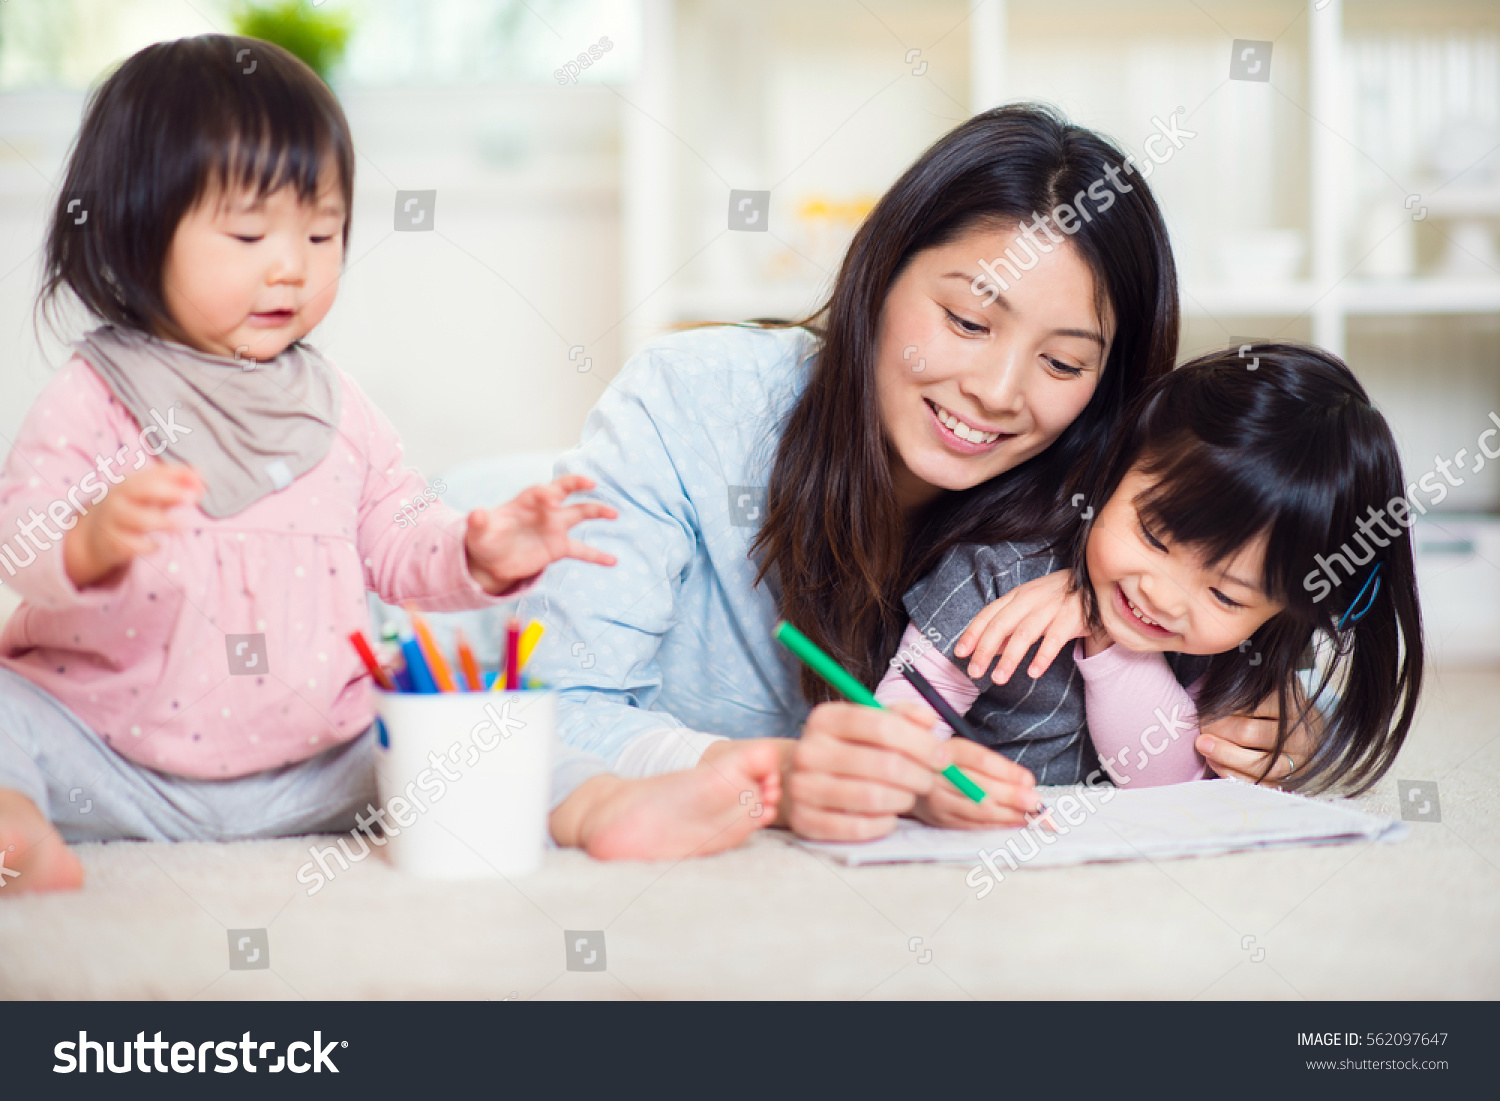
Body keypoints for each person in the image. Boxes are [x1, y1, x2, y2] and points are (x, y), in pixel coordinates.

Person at [0, 36, 780, 893]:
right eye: (250, 232)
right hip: (111, 757)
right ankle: (18, 825)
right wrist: (89, 537)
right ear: (133, 229)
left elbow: (400, 541)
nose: (290, 265)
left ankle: (601, 807)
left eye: (322, 231)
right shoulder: (95, 393)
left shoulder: (335, 405)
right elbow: (18, 546)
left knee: (473, 724)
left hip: (324, 760)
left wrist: (479, 551)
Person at [519, 103, 1314, 841]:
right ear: (882, 268)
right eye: (967, 320)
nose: (997, 393)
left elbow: (1245, 601)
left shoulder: (1114, 493)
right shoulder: (690, 398)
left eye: (1064, 361)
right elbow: (553, 714)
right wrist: (790, 777)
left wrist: (1277, 712)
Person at [877, 344, 1421, 822]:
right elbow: (902, 718)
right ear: (1115, 467)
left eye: (1226, 595)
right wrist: (925, 775)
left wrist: (1111, 645)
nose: (1160, 595)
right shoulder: (997, 572)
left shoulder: (1235, 649)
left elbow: (1166, 785)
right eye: (1155, 537)